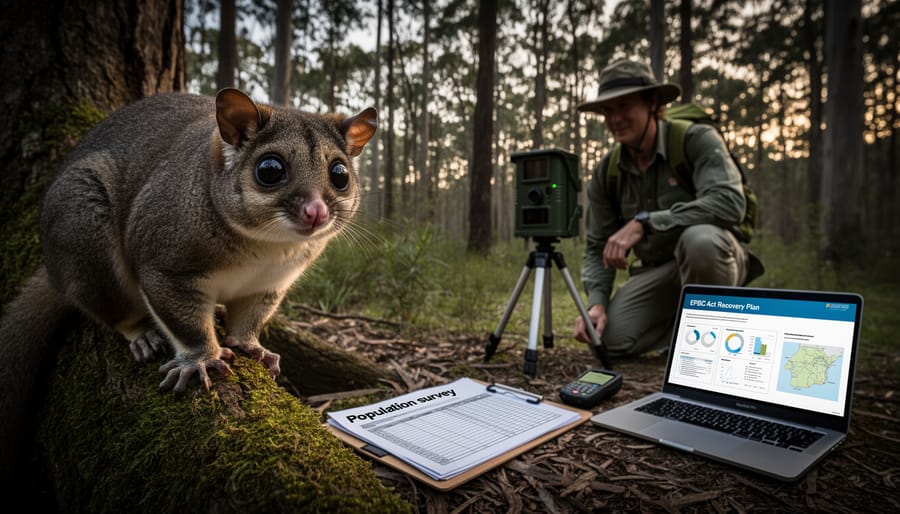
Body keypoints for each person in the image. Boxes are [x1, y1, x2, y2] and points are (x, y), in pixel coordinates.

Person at [573, 59, 763, 358]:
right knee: (606, 341)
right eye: (607, 111)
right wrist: (596, 304)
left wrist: (645, 222)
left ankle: (711, 335)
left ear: (652, 103)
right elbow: (597, 246)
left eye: (624, 106)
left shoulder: (696, 139)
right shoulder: (607, 172)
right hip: (659, 272)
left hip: (711, 257)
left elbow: (729, 202)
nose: (615, 119)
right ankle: (681, 329)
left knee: (699, 241)